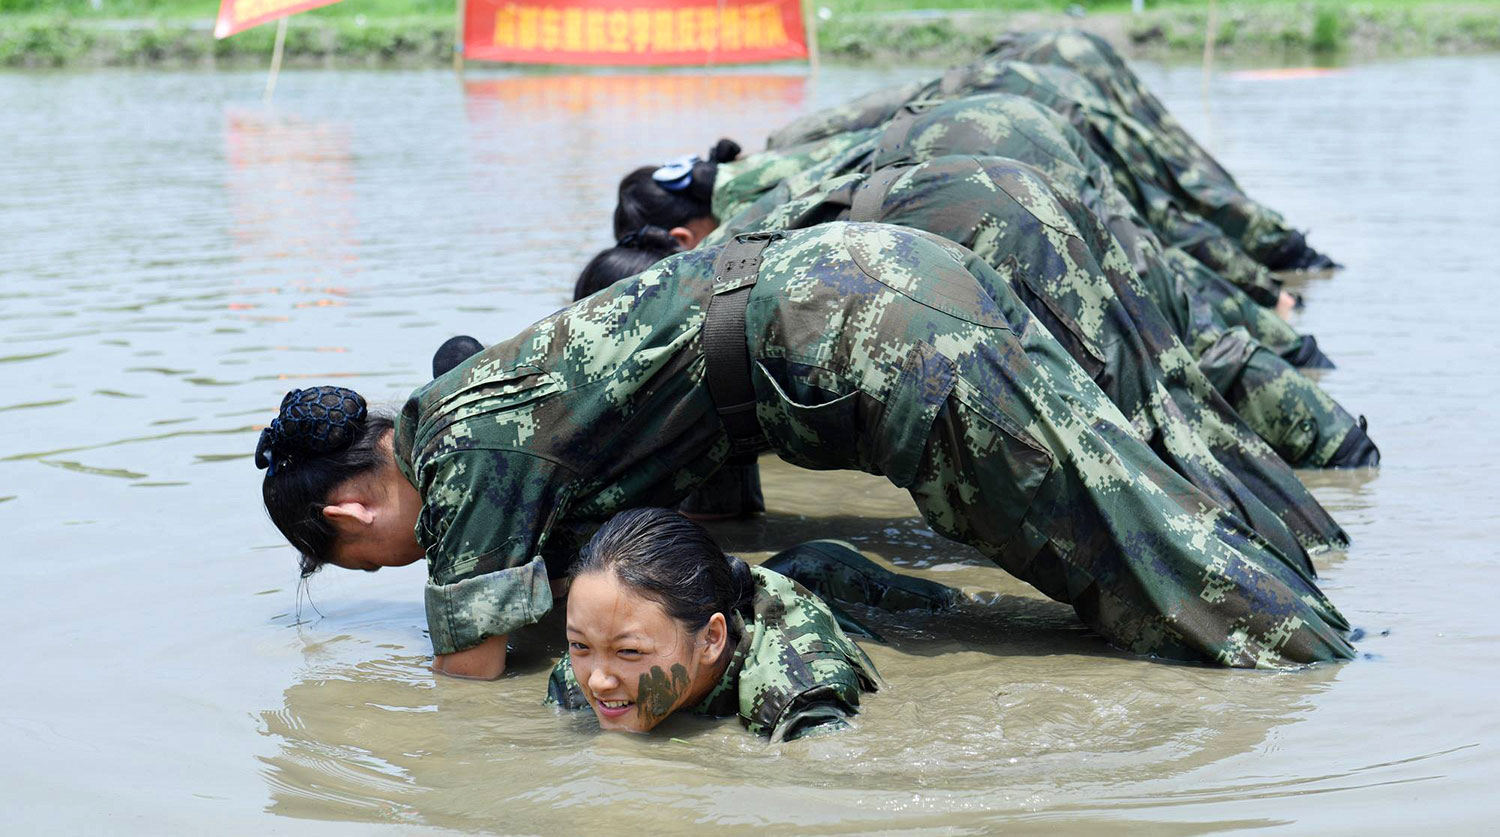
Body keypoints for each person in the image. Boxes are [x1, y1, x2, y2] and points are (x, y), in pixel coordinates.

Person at [255, 222, 1354, 682]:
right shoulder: (461, 404)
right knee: (1133, 497)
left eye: (367, 567)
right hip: (873, 276)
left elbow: (467, 680)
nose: (402, 568)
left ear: (351, 514)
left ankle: (1323, 666)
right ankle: (1324, 619)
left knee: (1131, 567)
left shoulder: (459, 462)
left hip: (855, 335)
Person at [545, 508, 880, 741]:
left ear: (712, 639)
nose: (599, 681)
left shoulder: (796, 693)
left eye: (629, 651)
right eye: (579, 645)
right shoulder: (579, 673)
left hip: (837, 581)